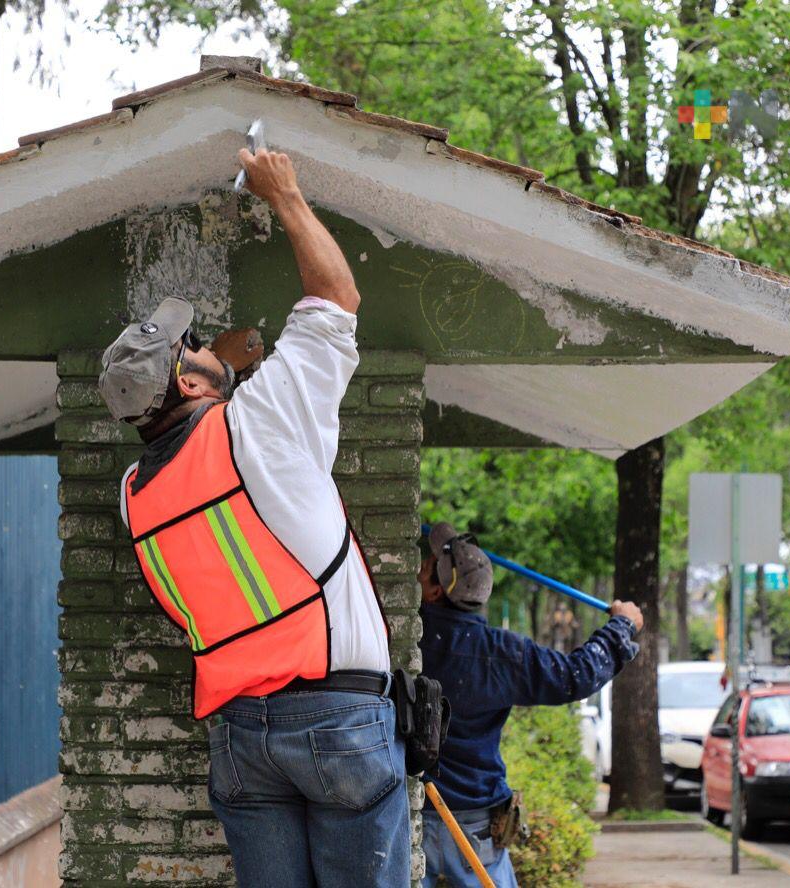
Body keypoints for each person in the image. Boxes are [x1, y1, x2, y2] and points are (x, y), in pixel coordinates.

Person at [97, 146, 409, 887]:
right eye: (195, 347)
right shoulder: (259, 423)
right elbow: (335, 297)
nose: (207, 345)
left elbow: (208, 440)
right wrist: (286, 194)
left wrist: (226, 366)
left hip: (242, 738)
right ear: (186, 379)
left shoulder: (134, 493)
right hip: (337, 720)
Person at [417, 523, 643, 887]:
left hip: (412, 816)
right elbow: (576, 676)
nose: (417, 571)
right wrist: (621, 626)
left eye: (425, 568)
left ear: (434, 590)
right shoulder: (501, 654)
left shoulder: (400, 641)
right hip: (475, 826)